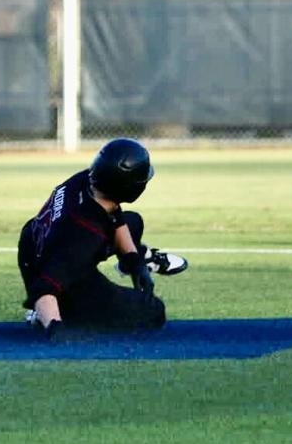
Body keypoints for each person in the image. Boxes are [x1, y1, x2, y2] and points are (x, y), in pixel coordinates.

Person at [17, 138, 188, 340]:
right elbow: (43, 287)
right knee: (152, 311)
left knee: (132, 222)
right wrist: (56, 328)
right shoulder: (84, 236)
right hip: (60, 274)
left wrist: (134, 261)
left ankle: (144, 256)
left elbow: (115, 216)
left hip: (36, 243)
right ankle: (55, 314)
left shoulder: (86, 180)